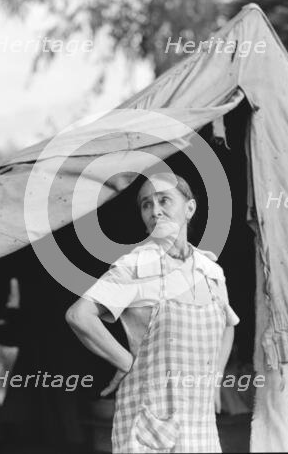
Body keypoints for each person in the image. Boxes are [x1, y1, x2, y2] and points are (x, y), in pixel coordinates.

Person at [66, 172, 239, 453]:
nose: (155, 210)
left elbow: (228, 323)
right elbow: (79, 315)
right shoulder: (135, 266)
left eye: (164, 200)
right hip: (151, 425)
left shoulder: (211, 271)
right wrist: (125, 362)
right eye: (146, 204)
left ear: (190, 209)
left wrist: (215, 379)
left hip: (199, 425)